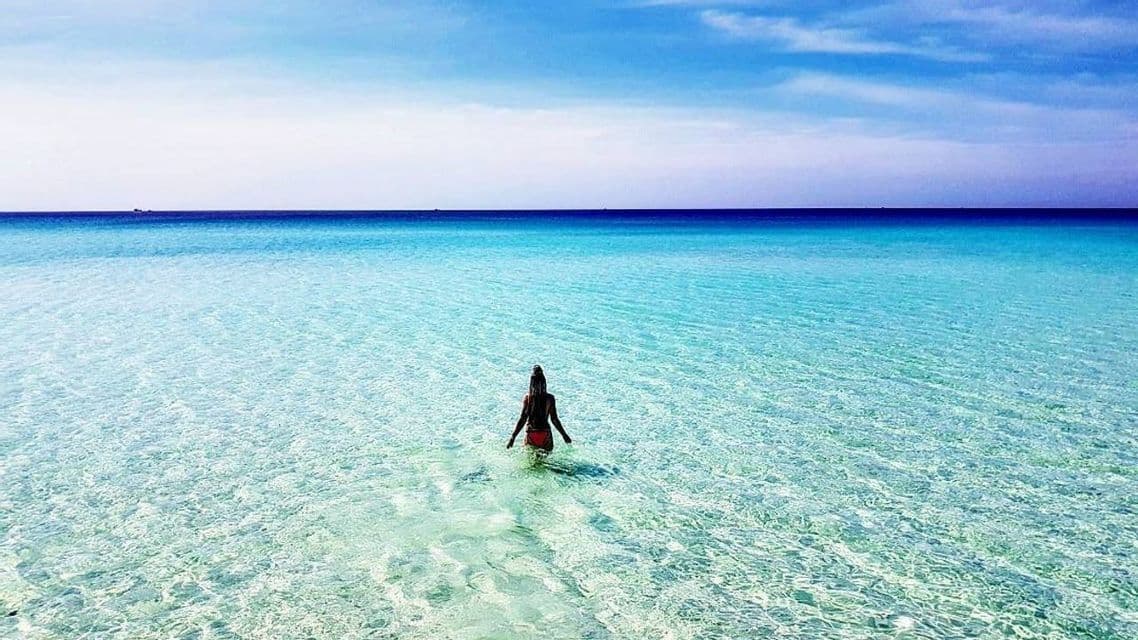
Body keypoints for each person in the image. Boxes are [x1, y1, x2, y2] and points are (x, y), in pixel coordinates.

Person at [507, 365, 572, 452]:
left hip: (531, 433)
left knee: (532, 463)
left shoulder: (528, 398)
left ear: (531, 383)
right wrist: (564, 435)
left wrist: (513, 437)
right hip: (545, 433)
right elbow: (554, 419)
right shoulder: (550, 398)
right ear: (544, 381)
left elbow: (523, 418)